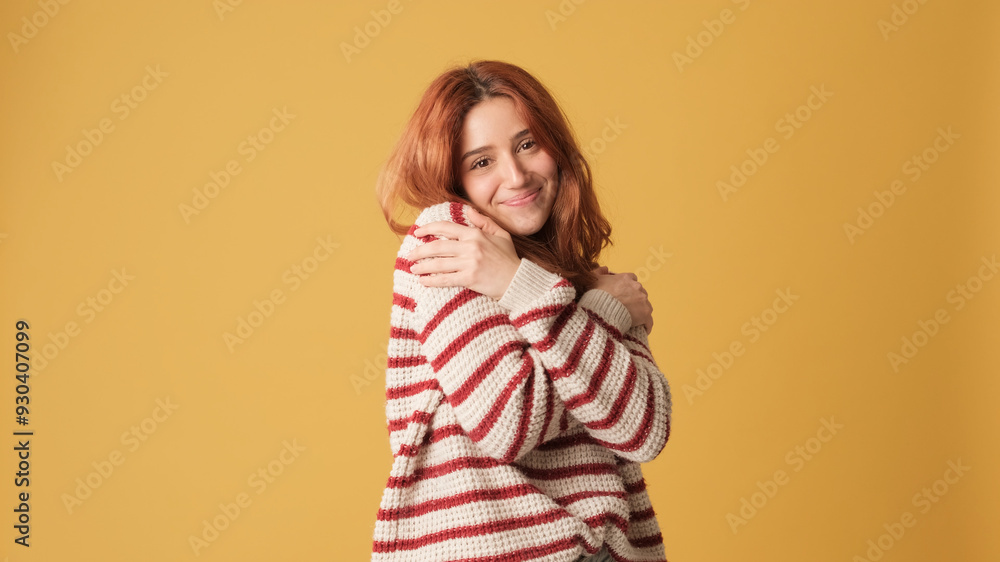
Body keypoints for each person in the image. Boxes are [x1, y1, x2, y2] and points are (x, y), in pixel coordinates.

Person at [371, 60, 672, 562]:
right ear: (453, 177)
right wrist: (597, 315)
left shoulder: (586, 276)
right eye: (481, 162)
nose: (516, 176)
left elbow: (643, 428)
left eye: (527, 144)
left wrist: (522, 284)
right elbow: (508, 421)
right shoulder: (448, 241)